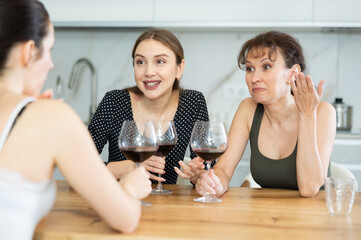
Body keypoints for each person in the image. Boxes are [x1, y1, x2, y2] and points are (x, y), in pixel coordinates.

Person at [0, 0, 151, 239]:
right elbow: (126, 219)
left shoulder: (39, 115)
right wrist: (129, 188)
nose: (50, 63)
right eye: (49, 49)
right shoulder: (52, 117)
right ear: (28, 52)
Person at [194, 31, 336, 198]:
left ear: (292, 73)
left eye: (266, 66)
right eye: (249, 68)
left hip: (313, 216)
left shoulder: (323, 112)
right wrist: (213, 185)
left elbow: (308, 188)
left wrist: (306, 114)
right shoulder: (248, 108)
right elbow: (224, 169)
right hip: (264, 215)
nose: (254, 78)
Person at [88, 29, 209, 185]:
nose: (149, 72)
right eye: (140, 62)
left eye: (160, 61)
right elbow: (79, 164)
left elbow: (205, 167)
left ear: (179, 68)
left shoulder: (193, 103)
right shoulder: (115, 101)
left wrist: (197, 175)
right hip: (119, 201)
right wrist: (133, 166)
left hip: (168, 206)